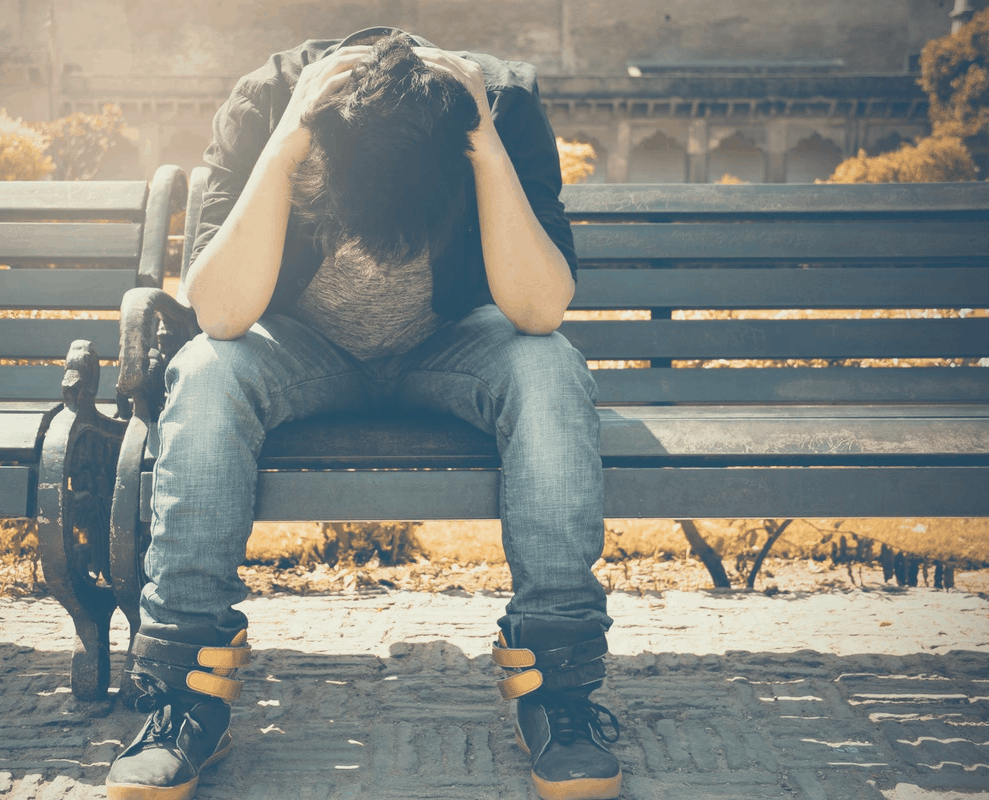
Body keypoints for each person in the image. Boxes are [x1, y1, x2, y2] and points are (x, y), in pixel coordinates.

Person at [105, 27, 620, 800]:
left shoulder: (501, 108)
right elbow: (217, 312)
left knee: (550, 368)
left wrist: (483, 147)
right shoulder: (266, 104)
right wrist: (284, 147)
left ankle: (560, 689)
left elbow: (540, 308)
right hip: (301, 347)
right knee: (206, 373)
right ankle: (180, 695)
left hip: (450, 343)